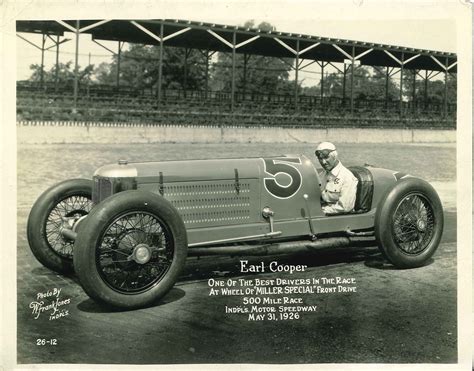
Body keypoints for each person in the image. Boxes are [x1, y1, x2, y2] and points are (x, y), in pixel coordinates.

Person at [315, 142, 358, 215]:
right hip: (323, 214)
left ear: (335, 157)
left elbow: (345, 207)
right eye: (320, 159)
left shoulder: (347, 177)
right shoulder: (321, 175)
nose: (323, 162)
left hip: (340, 218)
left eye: (326, 158)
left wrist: (320, 211)